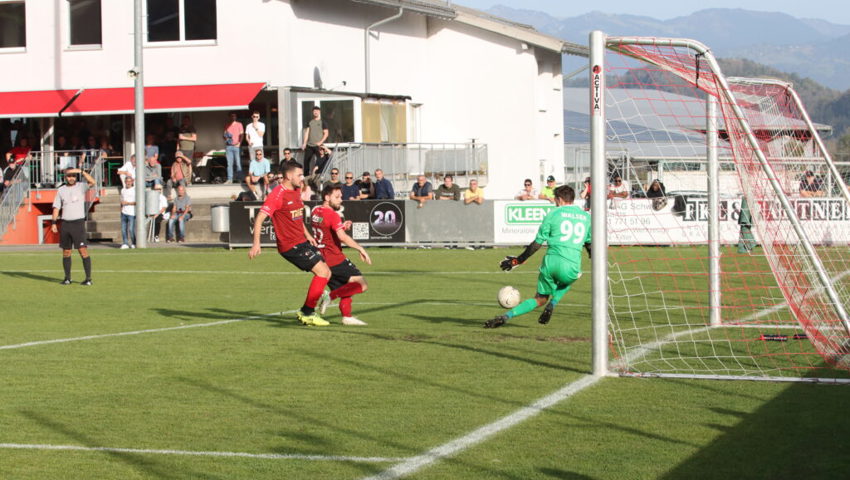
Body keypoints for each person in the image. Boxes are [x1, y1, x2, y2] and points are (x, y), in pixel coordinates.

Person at [486, 185, 591, 328]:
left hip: (550, 263)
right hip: (571, 265)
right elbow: (590, 245)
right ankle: (553, 303)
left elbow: (536, 244)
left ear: (559, 199)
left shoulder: (553, 214)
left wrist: (517, 260)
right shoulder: (586, 217)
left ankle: (506, 316)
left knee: (540, 299)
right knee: (571, 278)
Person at [248, 160, 332, 327]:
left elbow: (297, 217)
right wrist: (256, 243)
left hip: (301, 240)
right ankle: (307, 312)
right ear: (288, 176)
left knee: (326, 273)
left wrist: (308, 235)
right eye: (299, 175)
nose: (302, 178)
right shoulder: (277, 195)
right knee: (322, 272)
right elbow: (259, 218)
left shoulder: (296, 190)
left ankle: (309, 308)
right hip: (289, 245)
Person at [312, 184, 373, 326]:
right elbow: (342, 237)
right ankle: (330, 297)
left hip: (322, 260)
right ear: (327, 197)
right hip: (335, 258)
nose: (341, 200)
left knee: (346, 287)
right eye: (337, 197)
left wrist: (341, 226)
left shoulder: (315, 211)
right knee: (361, 284)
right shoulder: (333, 215)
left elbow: (326, 229)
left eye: (341, 197)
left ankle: (347, 316)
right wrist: (360, 248)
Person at [51, 168, 96, 285]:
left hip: (78, 223)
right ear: (65, 177)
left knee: (83, 251)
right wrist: (53, 223)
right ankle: (67, 278)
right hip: (65, 223)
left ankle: (88, 279)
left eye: (73, 176)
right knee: (66, 252)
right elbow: (56, 207)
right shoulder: (61, 190)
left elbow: (93, 182)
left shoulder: (81, 186)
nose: (71, 178)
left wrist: (82, 171)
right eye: (69, 176)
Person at [301, 106, 328, 174]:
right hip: (309, 145)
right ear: (312, 112)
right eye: (314, 111)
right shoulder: (310, 122)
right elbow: (307, 133)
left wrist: (320, 142)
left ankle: (319, 175)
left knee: (321, 161)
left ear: (319, 112)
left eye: (317, 111)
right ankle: (306, 177)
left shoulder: (323, 122)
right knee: (306, 161)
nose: (315, 112)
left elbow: (326, 133)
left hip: (318, 146)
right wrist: (304, 143)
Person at [223, 112, 244, 184]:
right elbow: (224, 135)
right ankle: (230, 179)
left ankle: (239, 179)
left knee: (238, 163)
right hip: (229, 146)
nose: (233, 117)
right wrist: (226, 139)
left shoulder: (239, 124)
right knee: (229, 164)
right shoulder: (227, 125)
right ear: (229, 117)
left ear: (236, 117)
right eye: (232, 116)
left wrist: (239, 143)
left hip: (236, 146)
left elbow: (242, 135)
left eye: (234, 116)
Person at [119, 176, 136, 249]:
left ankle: (133, 242)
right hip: (124, 212)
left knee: (131, 229)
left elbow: (137, 202)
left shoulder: (135, 190)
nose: (128, 183)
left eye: (130, 181)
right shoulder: (123, 190)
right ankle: (125, 243)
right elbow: (122, 200)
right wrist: (121, 207)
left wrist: (128, 203)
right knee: (123, 229)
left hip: (132, 213)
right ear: (125, 182)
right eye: (127, 181)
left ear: (132, 182)